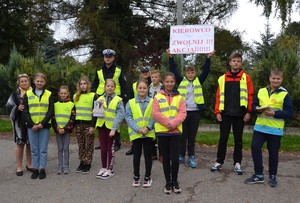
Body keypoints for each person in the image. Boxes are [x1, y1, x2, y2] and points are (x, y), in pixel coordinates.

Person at [245, 69, 293, 187]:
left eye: (278, 79)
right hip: (260, 127)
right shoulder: (261, 91)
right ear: (269, 78)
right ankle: (259, 174)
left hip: (275, 129)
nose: (275, 81)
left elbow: (289, 113)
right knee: (255, 148)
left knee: (273, 153)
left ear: (282, 79)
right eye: (273, 78)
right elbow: (254, 105)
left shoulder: (285, 94)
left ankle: (272, 175)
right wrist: (257, 109)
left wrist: (275, 114)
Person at [168, 49, 214, 168]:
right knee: (182, 136)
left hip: (195, 112)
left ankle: (192, 156)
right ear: (185, 73)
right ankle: (181, 155)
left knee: (192, 136)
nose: (190, 74)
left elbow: (206, 71)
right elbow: (173, 70)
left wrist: (208, 58)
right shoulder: (181, 81)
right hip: (183, 113)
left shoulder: (199, 80)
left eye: (192, 72)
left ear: (195, 73)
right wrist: (171, 58)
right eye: (188, 72)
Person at [211, 52, 254, 175]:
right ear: (230, 62)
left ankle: (237, 163)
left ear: (241, 63)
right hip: (225, 114)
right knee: (223, 139)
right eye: (234, 60)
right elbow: (218, 96)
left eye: (238, 61)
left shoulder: (246, 77)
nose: (236, 63)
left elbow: (250, 95)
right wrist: (217, 111)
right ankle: (219, 161)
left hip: (240, 114)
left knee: (238, 140)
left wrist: (249, 112)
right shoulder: (223, 78)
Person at [152, 72, 187, 194]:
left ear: (174, 82)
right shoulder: (157, 97)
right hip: (162, 132)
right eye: (167, 81)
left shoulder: (179, 97)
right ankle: (168, 182)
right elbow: (155, 113)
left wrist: (173, 124)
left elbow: (183, 113)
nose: (169, 84)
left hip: (175, 132)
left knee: (175, 159)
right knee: (165, 158)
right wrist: (168, 123)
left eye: (172, 81)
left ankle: (175, 181)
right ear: (163, 82)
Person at [92, 49, 127, 151]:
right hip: (100, 97)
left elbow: (123, 84)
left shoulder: (118, 69)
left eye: (110, 57)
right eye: (106, 57)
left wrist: (124, 96)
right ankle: (101, 141)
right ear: (104, 58)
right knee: (100, 118)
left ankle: (117, 142)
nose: (108, 58)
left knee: (115, 119)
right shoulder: (99, 70)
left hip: (115, 97)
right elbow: (95, 83)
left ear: (113, 58)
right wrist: (94, 95)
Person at [23, 73, 54, 179]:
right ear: (34, 82)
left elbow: (50, 111)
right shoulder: (27, 94)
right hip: (31, 126)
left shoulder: (49, 94)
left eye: (42, 81)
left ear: (44, 82)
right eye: (38, 81)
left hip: (44, 126)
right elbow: (25, 111)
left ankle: (42, 169)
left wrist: (42, 124)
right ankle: (35, 169)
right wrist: (32, 124)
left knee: (43, 149)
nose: (39, 83)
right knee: (34, 149)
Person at [125, 79, 155, 187]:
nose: (142, 90)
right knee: (136, 156)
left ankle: (147, 176)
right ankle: (136, 176)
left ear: (147, 89)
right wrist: (137, 129)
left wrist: (148, 127)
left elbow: (154, 116)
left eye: (144, 88)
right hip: (136, 133)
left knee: (148, 155)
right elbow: (128, 117)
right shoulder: (131, 102)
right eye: (140, 88)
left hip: (148, 133)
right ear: (136, 89)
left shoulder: (152, 101)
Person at [95, 79, 125, 180]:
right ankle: (103, 167)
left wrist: (114, 128)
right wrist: (97, 108)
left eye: (112, 86)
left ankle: (110, 169)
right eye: (108, 86)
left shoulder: (118, 100)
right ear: (104, 87)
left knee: (110, 149)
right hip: (102, 126)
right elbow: (97, 114)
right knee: (103, 148)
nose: (110, 88)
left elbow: (120, 115)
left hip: (112, 128)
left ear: (115, 88)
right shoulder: (99, 98)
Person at [6, 73, 33, 176]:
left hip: (31, 123)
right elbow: (8, 106)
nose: (24, 83)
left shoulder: (34, 93)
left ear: (29, 82)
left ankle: (29, 164)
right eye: (21, 81)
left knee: (30, 144)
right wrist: (17, 108)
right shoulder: (14, 94)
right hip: (19, 124)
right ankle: (19, 166)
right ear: (19, 82)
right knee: (20, 144)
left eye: (25, 81)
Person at [73, 77, 98, 175]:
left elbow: (95, 112)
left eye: (85, 83)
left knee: (89, 144)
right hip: (79, 124)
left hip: (88, 124)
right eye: (81, 84)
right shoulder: (75, 96)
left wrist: (93, 126)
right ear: (79, 86)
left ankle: (88, 162)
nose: (83, 85)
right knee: (81, 144)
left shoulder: (93, 96)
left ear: (88, 85)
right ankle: (82, 161)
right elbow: (74, 111)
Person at [126, 66, 152, 156]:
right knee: (137, 148)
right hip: (137, 107)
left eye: (146, 72)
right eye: (143, 72)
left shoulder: (153, 83)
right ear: (140, 73)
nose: (145, 74)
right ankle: (133, 148)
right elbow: (131, 96)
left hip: (149, 110)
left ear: (149, 73)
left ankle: (153, 151)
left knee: (149, 147)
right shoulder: (134, 84)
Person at [52, 86, 76, 174]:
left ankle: (66, 166)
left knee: (66, 148)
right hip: (58, 130)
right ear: (59, 94)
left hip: (67, 130)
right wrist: (57, 128)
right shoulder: (55, 105)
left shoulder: (71, 104)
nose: (63, 95)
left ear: (68, 94)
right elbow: (53, 119)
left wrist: (65, 128)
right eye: (61, 93)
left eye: (65, 93)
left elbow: (72, 118)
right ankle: (59, 166)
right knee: (60, 148)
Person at [148, 70, 163, 160]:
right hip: (151, 113)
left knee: (160, 134)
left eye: (156, 77)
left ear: (159, 78)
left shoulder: (163, 87)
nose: (154, 79)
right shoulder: (149, 87)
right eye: (152, 77)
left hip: (160, 112)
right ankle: (153, 153)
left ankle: (161, 153)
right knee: (151, 134)